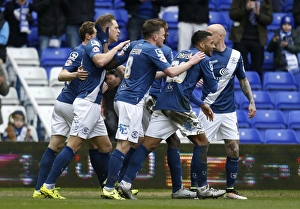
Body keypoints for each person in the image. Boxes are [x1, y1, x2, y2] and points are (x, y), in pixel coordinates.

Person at [103, 26, 223, 200]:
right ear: (202, 45)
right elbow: (212, 87)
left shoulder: (181, 54)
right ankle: (203, 188)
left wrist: (200, 101)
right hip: (177, 105)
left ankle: (125, 182)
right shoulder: (201, 58)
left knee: (148, 144)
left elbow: (175, 81)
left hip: (163, 102)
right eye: (211, 43)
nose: (214, 46)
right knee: (202, 142)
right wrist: (207, 74)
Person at [39, 14, 130, 199]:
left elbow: (108, 67)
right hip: (85, 104)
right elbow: (100, 62)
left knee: (105, 146)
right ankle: (48, 185)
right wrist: (119, 49)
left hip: (93, 105)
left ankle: (108, 187)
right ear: (106, 30)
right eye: (116, 27)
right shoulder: (94, 44)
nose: (119, 30)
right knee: (73, 144)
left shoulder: (102, 46)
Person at [32, 21, 109, 199]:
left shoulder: (91, 51)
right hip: (71, 104)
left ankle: (39, 189)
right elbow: (61, 75)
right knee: (87, 144)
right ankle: (107, 185)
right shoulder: (81, 51)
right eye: (95, 34)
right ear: (88, 36)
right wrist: (75, 74)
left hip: (64, 102)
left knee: (56, 145)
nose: (97, 38)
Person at [195, 24, 256, 200]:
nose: (207, 36)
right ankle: (198, 188)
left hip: (229, 112)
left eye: (210, 33)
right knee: (201, 149)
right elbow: (192, 76)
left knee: (234, 149)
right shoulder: (204, 54)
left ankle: (230, 190)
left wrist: (251, 101)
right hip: (209, 110)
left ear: (220, 36)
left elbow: (243, 80)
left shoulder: (235, 56)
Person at [229, 0, 273, 79]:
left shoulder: (266, 1)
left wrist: (258, 15)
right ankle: (238, 88)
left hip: (258, 40)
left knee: (257, 69)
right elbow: (232, 14)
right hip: (240, 39)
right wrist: (246, 9)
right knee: (238, 68)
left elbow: (269, 19)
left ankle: (256, 89)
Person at [266, 14, 300, 80]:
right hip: (280, 66)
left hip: (294, 67)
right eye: (284, 24)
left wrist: (287, 46)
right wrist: (273, 42)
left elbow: (298, 48)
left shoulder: (296, 35)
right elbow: (269, 49)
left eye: (289, 25)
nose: (286, 27)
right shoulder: (277, 34)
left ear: (292, 26)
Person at [101, 70, 122, 142]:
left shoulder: (120, 76)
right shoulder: (103, 77)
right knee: (111, 128)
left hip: (119, 106)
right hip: (109, 107)